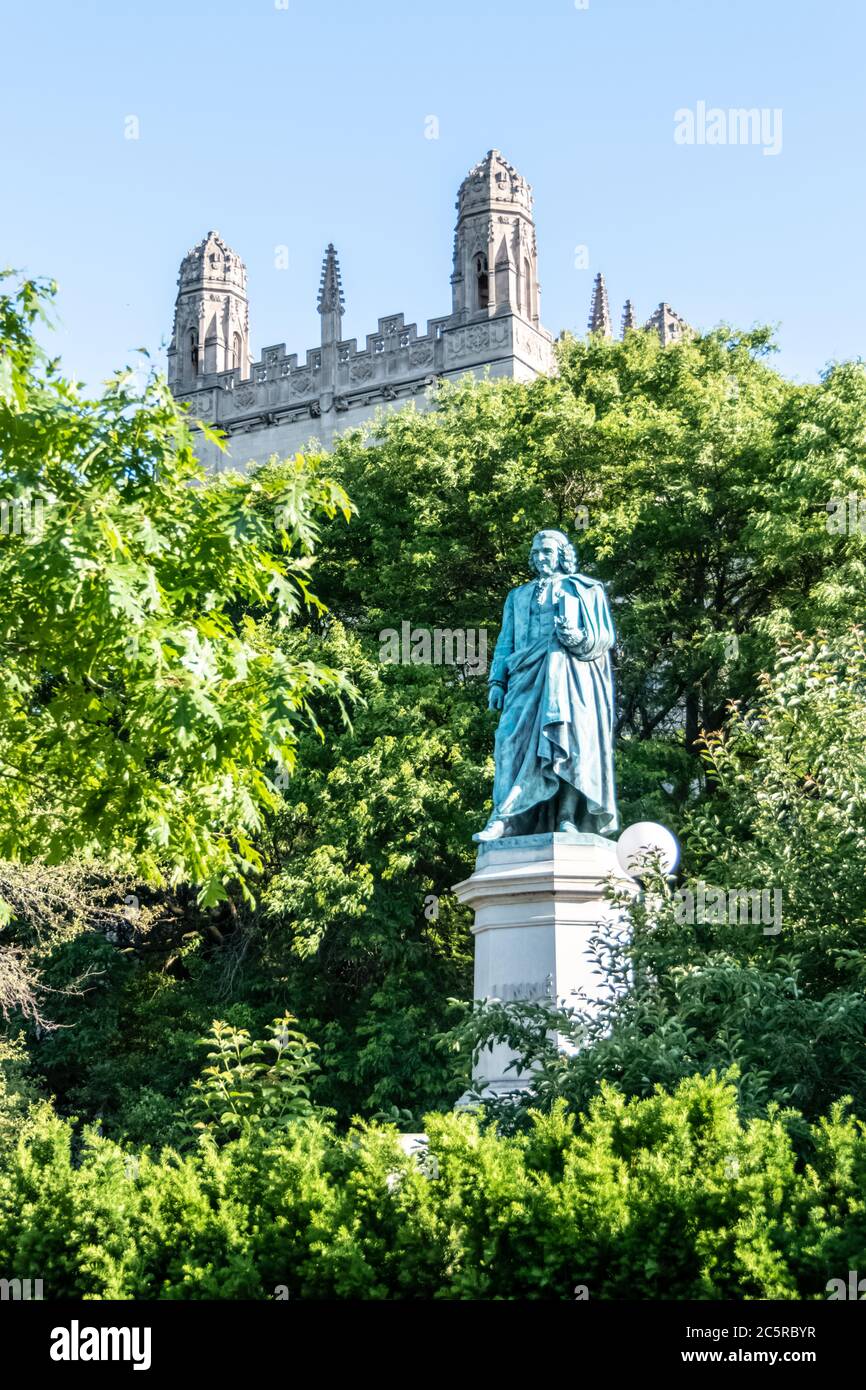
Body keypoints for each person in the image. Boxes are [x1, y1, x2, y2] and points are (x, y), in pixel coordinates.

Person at [475, 528, 618, 841]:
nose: (541, 558)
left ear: (562, 555)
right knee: (508, 741)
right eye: (536, 553)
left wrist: (579, 638)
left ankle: (567, 816)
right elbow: (505, 640)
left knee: (569, 743)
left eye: (547, 552)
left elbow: (604, 637)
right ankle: (505, 818)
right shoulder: (517, 596)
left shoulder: (585, 589)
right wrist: (497, 680)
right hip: (524, 679)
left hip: (569, 677)